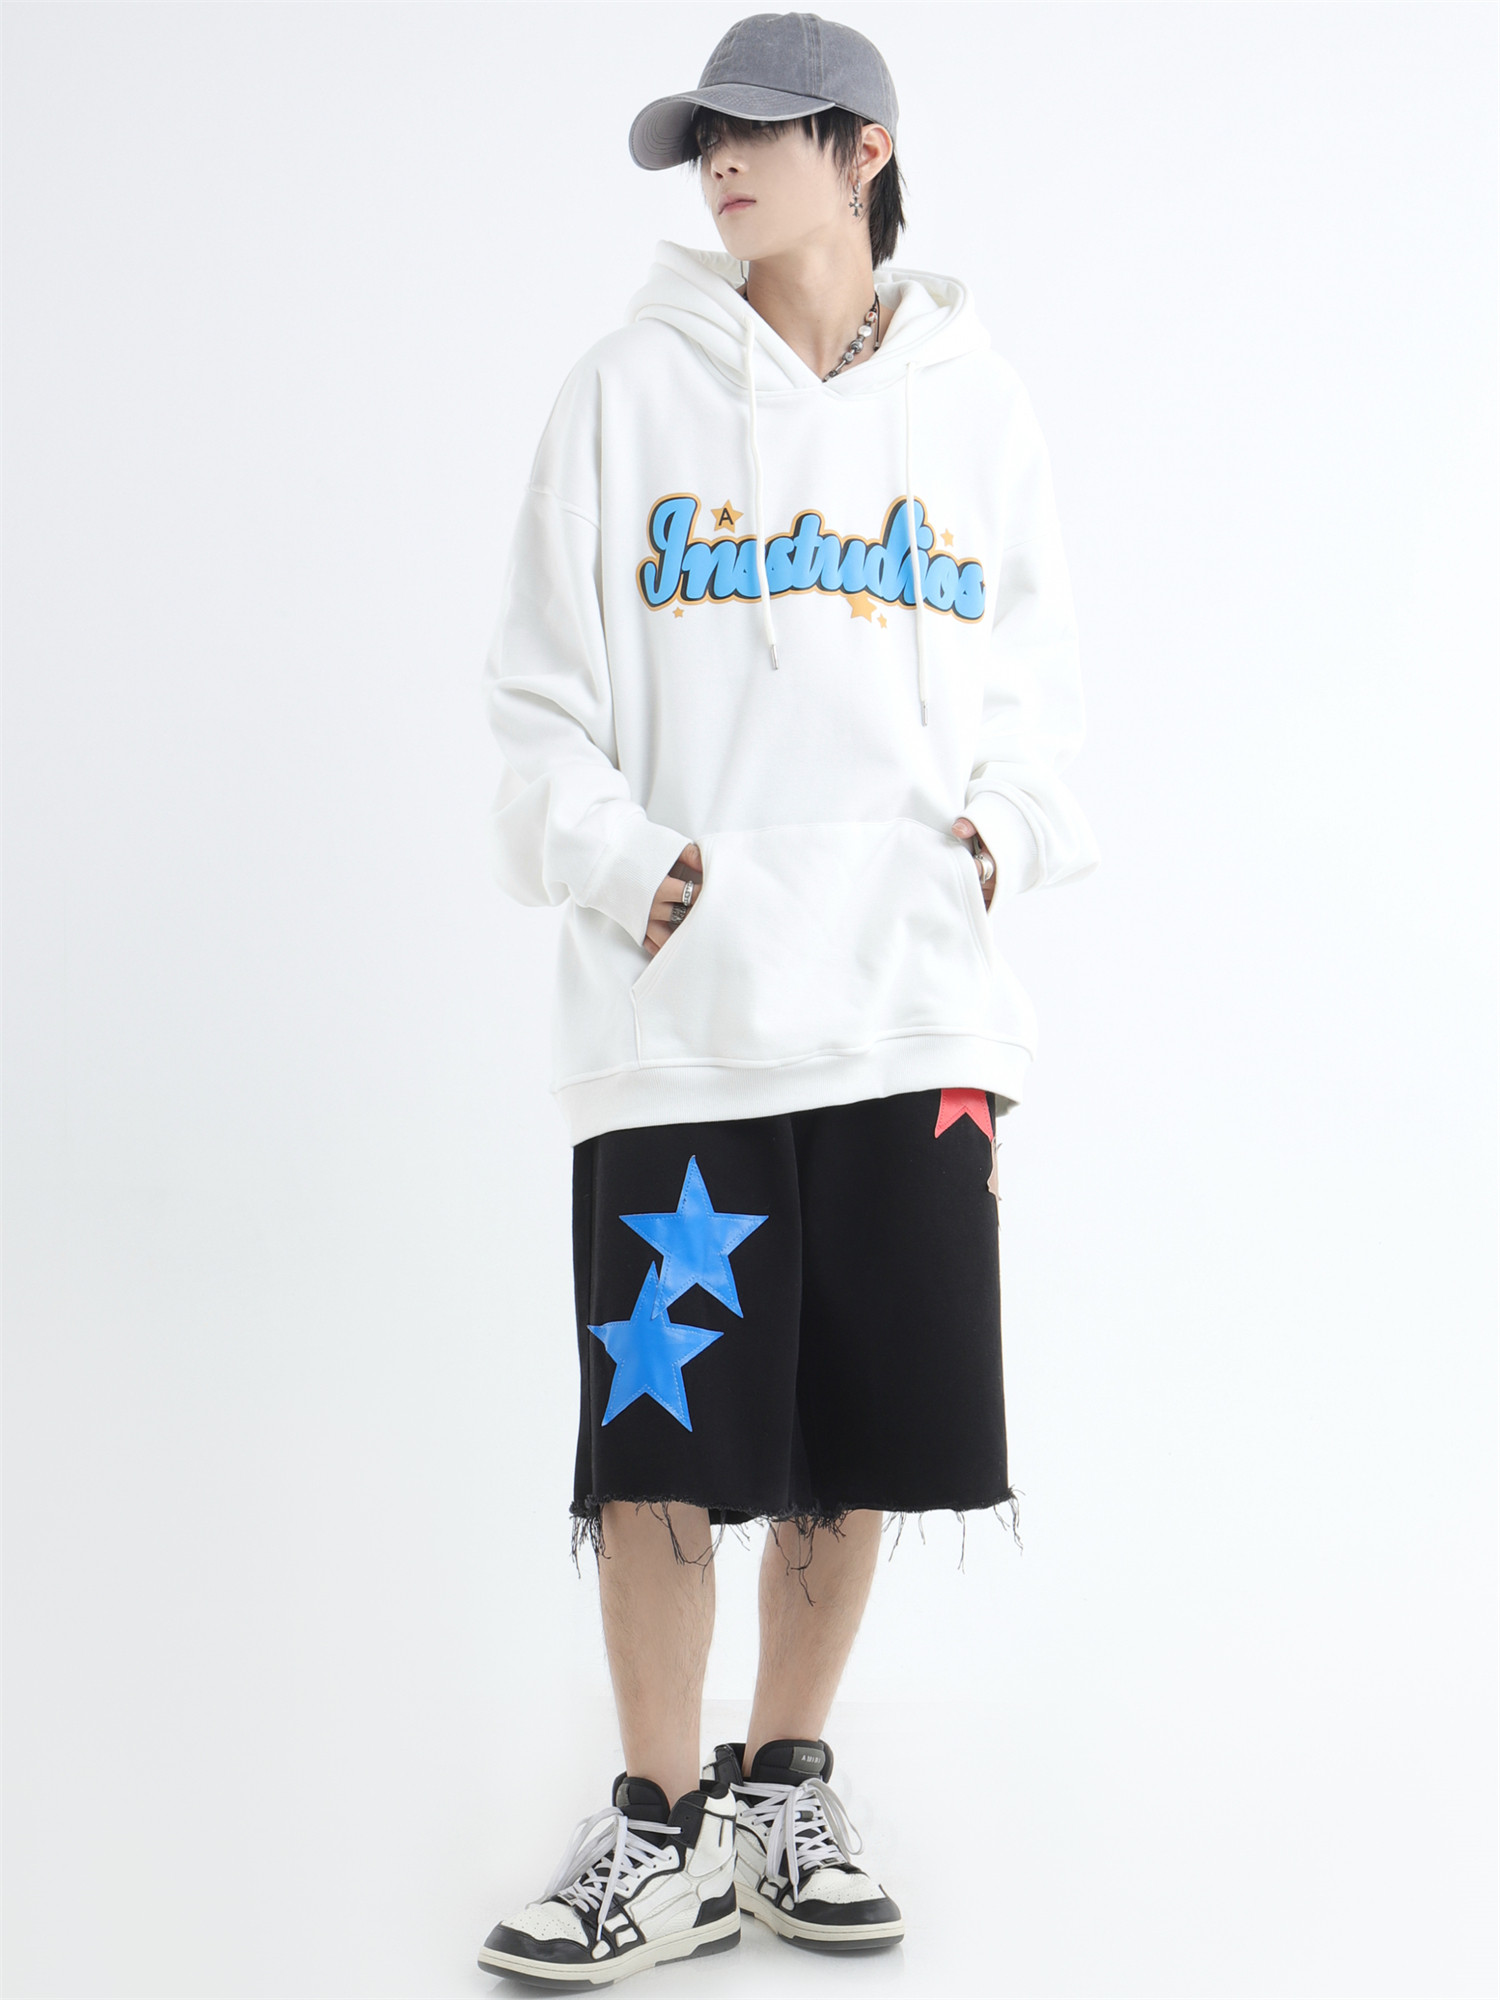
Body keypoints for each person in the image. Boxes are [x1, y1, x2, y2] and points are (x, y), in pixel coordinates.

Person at [475, 10, 1100, 1985]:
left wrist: (989, 848)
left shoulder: (980, 409)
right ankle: (658, 1825)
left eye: (758, 133)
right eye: (702, 142)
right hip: (683, 1018)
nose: (719, 167)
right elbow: (534, 708)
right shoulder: (624, 395)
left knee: (860, 1431)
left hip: (915, 1014)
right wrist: (639, 874)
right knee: (664, 1438)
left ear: (866, 150)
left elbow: (1044, 703)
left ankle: (780, 1779)